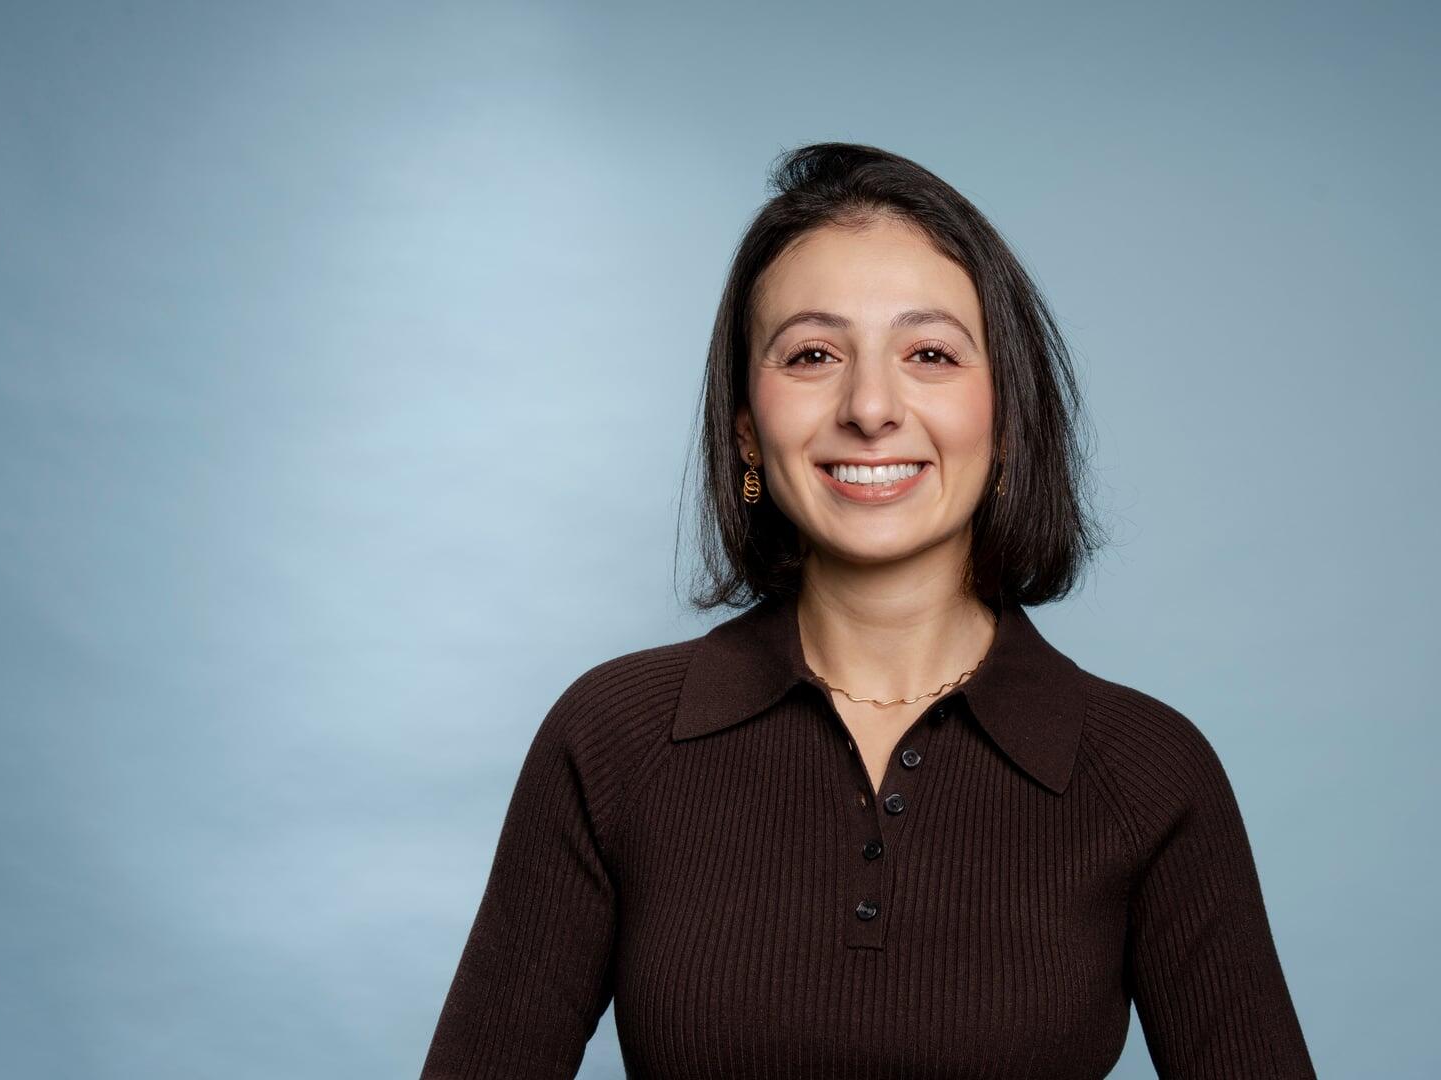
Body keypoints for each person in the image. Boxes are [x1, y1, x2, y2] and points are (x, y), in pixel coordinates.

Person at [421, 142, 1316, 1079]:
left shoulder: (1148, 772)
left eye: (930, 354)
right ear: (746, 429)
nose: (871, 406)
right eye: (813, 354)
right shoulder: (612, 740)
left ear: (1007, 418)